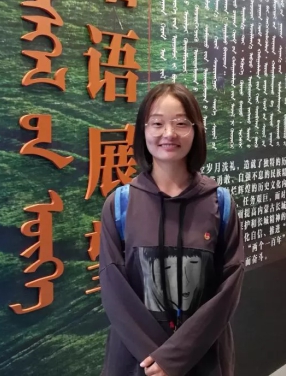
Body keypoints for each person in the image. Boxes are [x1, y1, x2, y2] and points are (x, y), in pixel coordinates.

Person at [99, 83, 245, 376]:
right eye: (157, 123)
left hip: (202, 359)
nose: (169, 133)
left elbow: (229, 287)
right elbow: (115, 291)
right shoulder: (120, 205)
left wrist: (175, 357)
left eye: (180, 123)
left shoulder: (220, 203)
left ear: (196, 130)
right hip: (137, 361)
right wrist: (157, 359)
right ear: (143, 131)